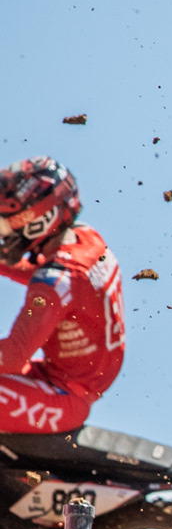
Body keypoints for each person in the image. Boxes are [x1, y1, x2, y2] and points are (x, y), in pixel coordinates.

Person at [0, 158, 125, 434]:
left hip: (63, 398)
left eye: (4, 226)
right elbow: (57, 282)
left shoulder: (54, 282)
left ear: (39, 221)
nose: (2, 235)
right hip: (58, 380)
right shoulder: (88, 240)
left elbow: (13, 355)